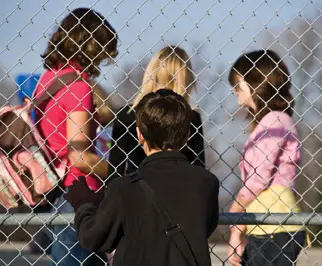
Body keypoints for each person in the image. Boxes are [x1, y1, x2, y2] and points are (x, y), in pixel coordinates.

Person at [64, 89, 220, 265]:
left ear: (139, 135)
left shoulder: (124, 188)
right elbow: (205, 227)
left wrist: (84, 204)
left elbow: (94, 238)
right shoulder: (206, 183)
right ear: (187, 136)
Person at [33, 8, 118, 265]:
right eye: (103, 52)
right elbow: (79, 156)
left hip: (55, 193)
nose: (104, 62)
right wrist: (121, 172)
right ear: (91, 45)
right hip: (79, 195)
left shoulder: (48, 80)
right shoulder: (79, 87)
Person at [227, 50, 306, 266]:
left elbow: (258, 178)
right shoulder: (273, 121)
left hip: (274, 225)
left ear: (254, 82)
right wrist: (238, 229)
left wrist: (235, 209)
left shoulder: (274, 122)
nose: (234, 91)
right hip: (266, 224)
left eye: (237, 84)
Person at [107, 46, 205, 180]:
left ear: (151, 73)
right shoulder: (190, 117)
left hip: (137, 188)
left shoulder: (127, 114)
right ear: (186, 78)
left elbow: (114, 171)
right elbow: (199, 167)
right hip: (179, 190)